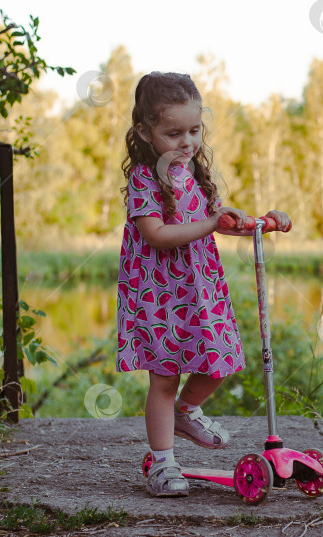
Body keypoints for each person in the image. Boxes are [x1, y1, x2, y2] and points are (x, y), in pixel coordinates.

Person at [116, 72, 291, 497]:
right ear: (145, 131)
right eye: (173, 133)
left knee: (221, 360)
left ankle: (186, 411)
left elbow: (211, 223)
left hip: (198, 291)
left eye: (194, 131)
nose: (186, 141)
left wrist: (256, 223)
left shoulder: (192, 172)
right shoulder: (145, 177)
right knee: (164, 377)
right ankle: (163, 463)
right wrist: (210, 222)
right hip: (159, 295)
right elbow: (156, 233)